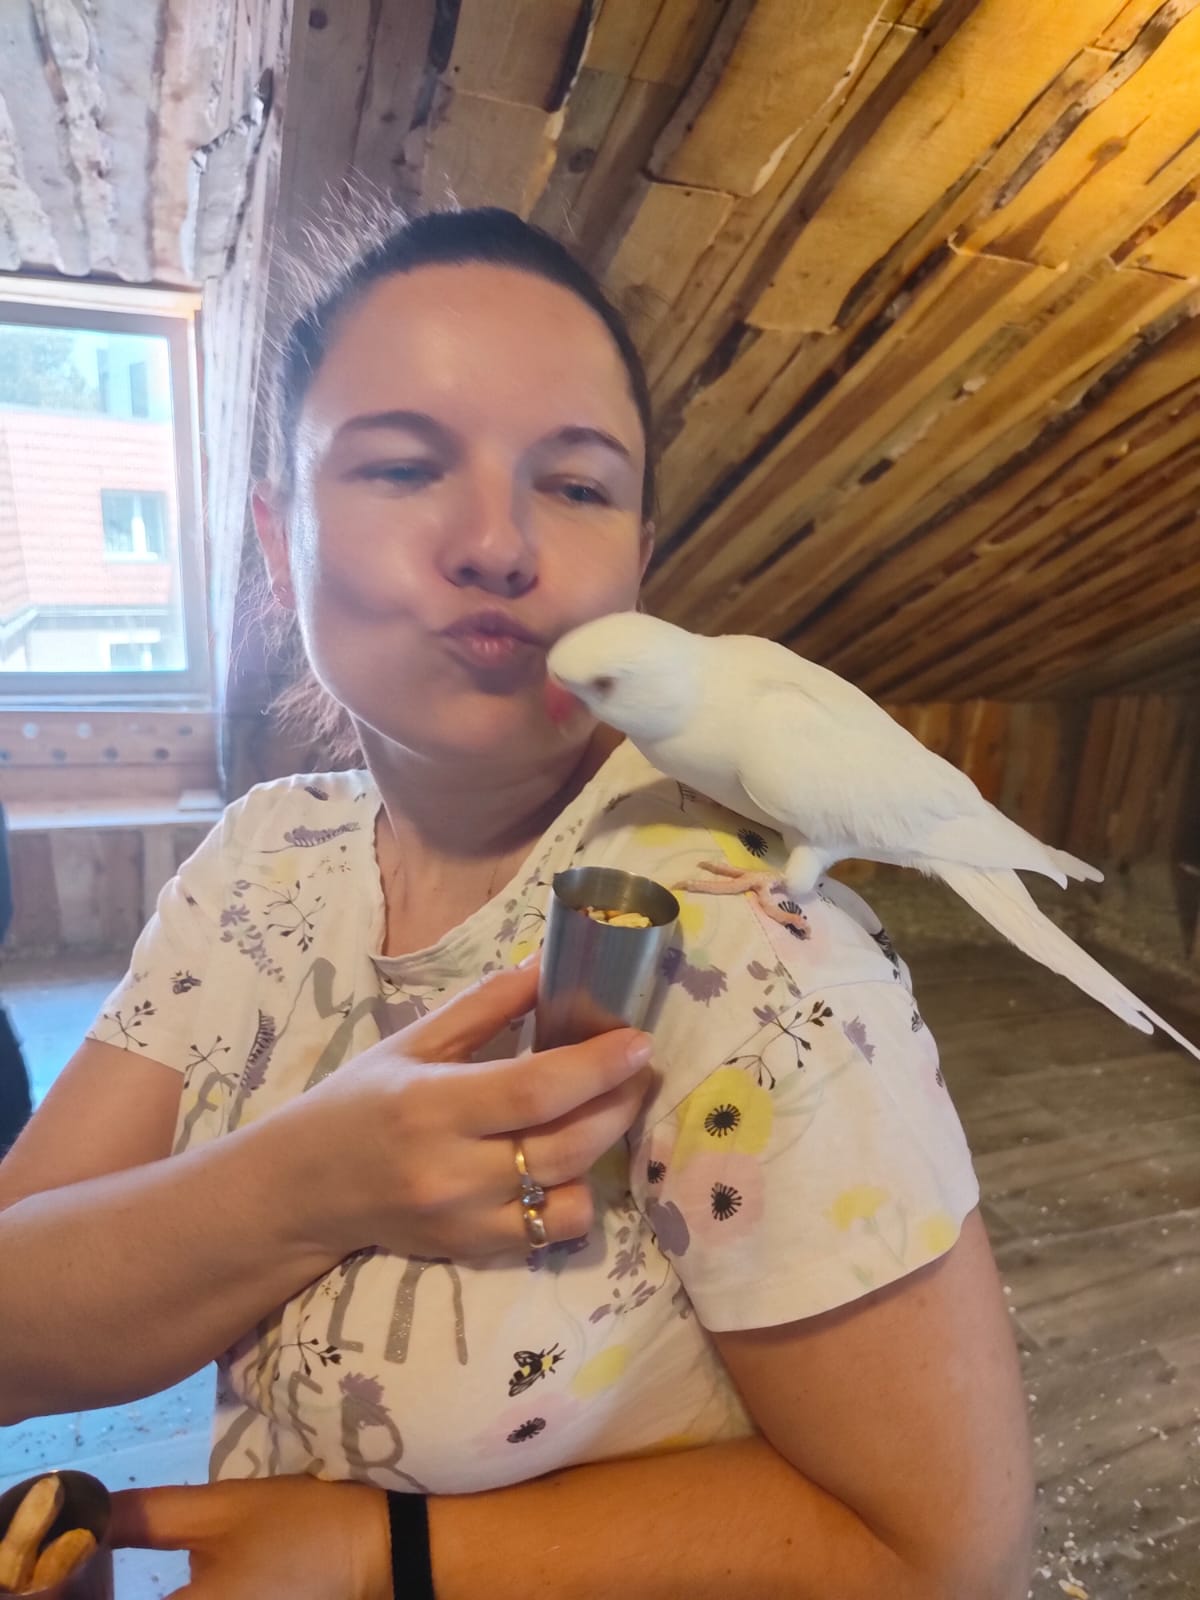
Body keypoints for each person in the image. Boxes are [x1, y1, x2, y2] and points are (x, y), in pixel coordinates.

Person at [0, 208, 1032, 1599]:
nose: (498, 542)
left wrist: (381, 1556)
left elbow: (949, 1555)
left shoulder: (740, 949)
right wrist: (307, 1184)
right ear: (276, 537)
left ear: (639, 559)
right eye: (403, 465)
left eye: (578, 486)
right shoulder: (263, 861)